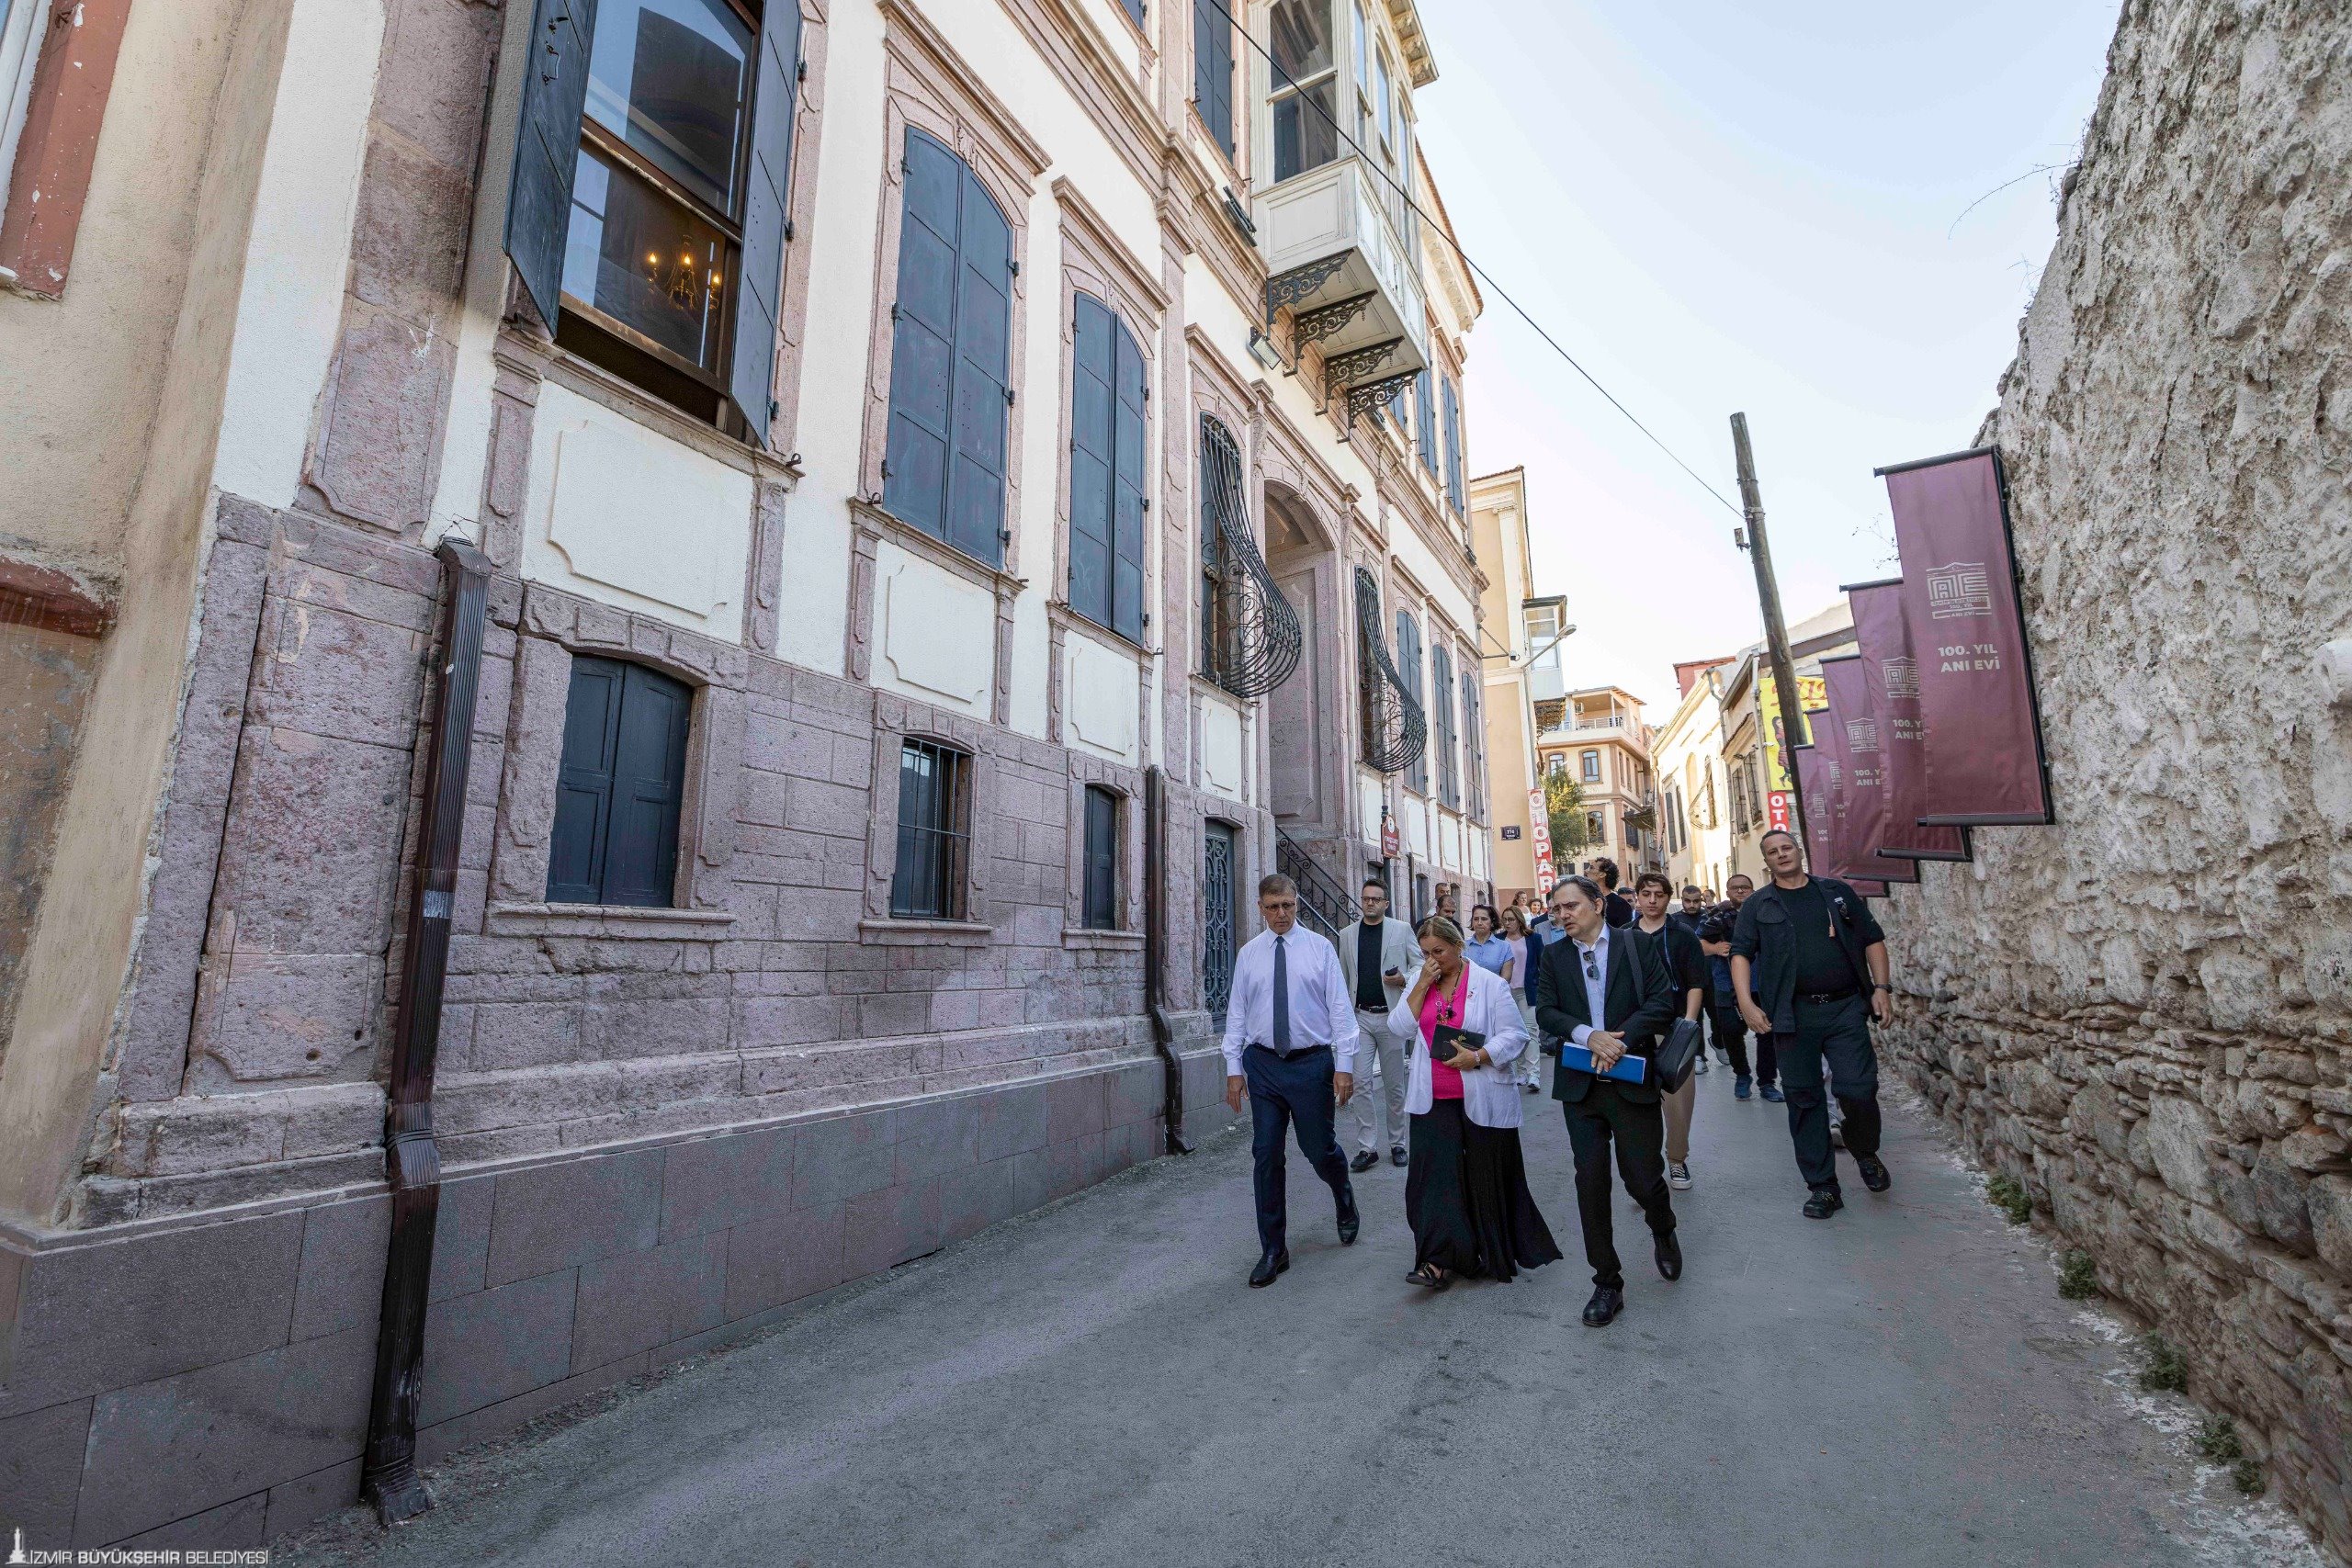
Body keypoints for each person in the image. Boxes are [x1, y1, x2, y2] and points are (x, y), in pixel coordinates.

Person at [1535, 875, 1680, 1327]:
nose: (1562, 915)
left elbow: (1662, 1003)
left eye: (1571, 906)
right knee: (1591, 1181)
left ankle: (1663, 1226)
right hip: (1581, 1086)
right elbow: (1547, 1012)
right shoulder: (1554, 955)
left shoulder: (1637, 945)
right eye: (1557, 908)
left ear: (1598, 905)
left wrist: (1618, 1041)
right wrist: (1588, 1036)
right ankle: (1606, 1281)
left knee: (1643, 1178)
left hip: (1631, 1078)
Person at [1730, 830, 1895, 1220]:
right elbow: (1740, 954)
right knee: (1804, 1100)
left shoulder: (1836, 893)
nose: (1781, 855)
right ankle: (1823, 1187)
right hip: (1791, 1016)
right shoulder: (1757, 905)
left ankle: (1865, 1151)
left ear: (1799, 851)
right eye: (1773, 852)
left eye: (1786, 848)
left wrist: (1882, 988)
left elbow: (1872, 939)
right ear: (1766, 862)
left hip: (1845, 1009)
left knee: (1858, 1088)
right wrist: (1747, 1003)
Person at [1391, 916, 1562, 1290]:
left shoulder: (1489, 984)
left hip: (1481, 1093)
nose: (1432, 959)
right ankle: (1436, 1260)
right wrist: (1420, 985)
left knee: (1484, 1176)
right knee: (1434, 1180)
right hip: (1433, 1098)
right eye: (1425, 953)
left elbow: (1515, 1035)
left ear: (1458, 946)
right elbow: (1399, 1028)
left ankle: (1486, 1251)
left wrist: (1479, 1056)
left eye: (1439, 951)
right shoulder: (1420, 980)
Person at [1222, 874, 1363, 1285]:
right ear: (1261, 908)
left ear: (1296, 903)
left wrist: (1344, 1065)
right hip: (1264, 1065)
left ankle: (1342, 1193)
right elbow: (1237, 1013)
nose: (1281, 914)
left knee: (1318, 1149)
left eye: (1287, 905)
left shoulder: (1320, 949)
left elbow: (1340, 1009)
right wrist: (1234, 1070)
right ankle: (1273, 1249)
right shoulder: (1249, 954)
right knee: (1266, 1154)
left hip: (1310, 1064)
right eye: (1273, 907)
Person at [1630, 873, 1709, 1190]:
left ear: (1667, 897)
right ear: (1637, 897)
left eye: (1659, 894)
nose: (1652, 900)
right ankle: (1643, 1170)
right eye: (1646, 894)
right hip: (1633, 1030)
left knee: (1677, 1101)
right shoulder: (1623, 935)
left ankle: (1677, 1159)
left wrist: (1688, 1025)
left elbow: (1696, 983)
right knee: (1635, 1103)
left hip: (1674, 1027)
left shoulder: (1683, 935)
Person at [1336, 878, 1419, 1173]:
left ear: (1385, 903)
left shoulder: (1401, 930)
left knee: (1395, 1085)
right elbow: (1343, 978)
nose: (1369, 903)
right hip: (1360, 1017)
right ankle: (1367, 1147)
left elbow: (1420, 965)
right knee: (1361, 1082)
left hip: (1391, 1017)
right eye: (1365, 898)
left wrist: (1403, 979)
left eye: (1375, 899)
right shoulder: (1347, 934)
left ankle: (1398, 1143)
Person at [1699, 874, 1772, 1101]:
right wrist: (1715, 948)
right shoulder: (1716, 918)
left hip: (1763, 984)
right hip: (1726, 984)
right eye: (1735, 888)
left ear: (1753, 890)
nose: (1740, 891)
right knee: (1730, 1032)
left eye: (1745, 887)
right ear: (1727, 892)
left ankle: (1767, 1082)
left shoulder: (1766, 913)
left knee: (1767, 1034)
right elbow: (1697, 944)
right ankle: (1742, 1075)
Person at [1498, 906, 1545, 1093]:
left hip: (1528, 991)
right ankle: (1521, 1072)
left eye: (1511, 919)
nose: (1507, 923)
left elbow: (1543, 964)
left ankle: (1534, 1074)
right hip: (1506, 992)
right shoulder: (1499, 940)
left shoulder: (1533, 938)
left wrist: (1541, 986)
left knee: (1531, 1031)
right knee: (1514, 1033)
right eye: (1505, 919)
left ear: (1519, 920)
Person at [1464, 903, 1511, 978]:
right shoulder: (1463, 946)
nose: (1479, 923)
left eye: (1484, 919)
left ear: (1492, 922)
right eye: (1476, 919)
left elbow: (1506, 979)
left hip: (1495, 986)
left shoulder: (1504, 947)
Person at [1588, 858, 1634, 928]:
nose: (1586, 871)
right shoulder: (1585, 900)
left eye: (1591, 868)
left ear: (1602, 874)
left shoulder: (1621, 906)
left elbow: (1623, 932)